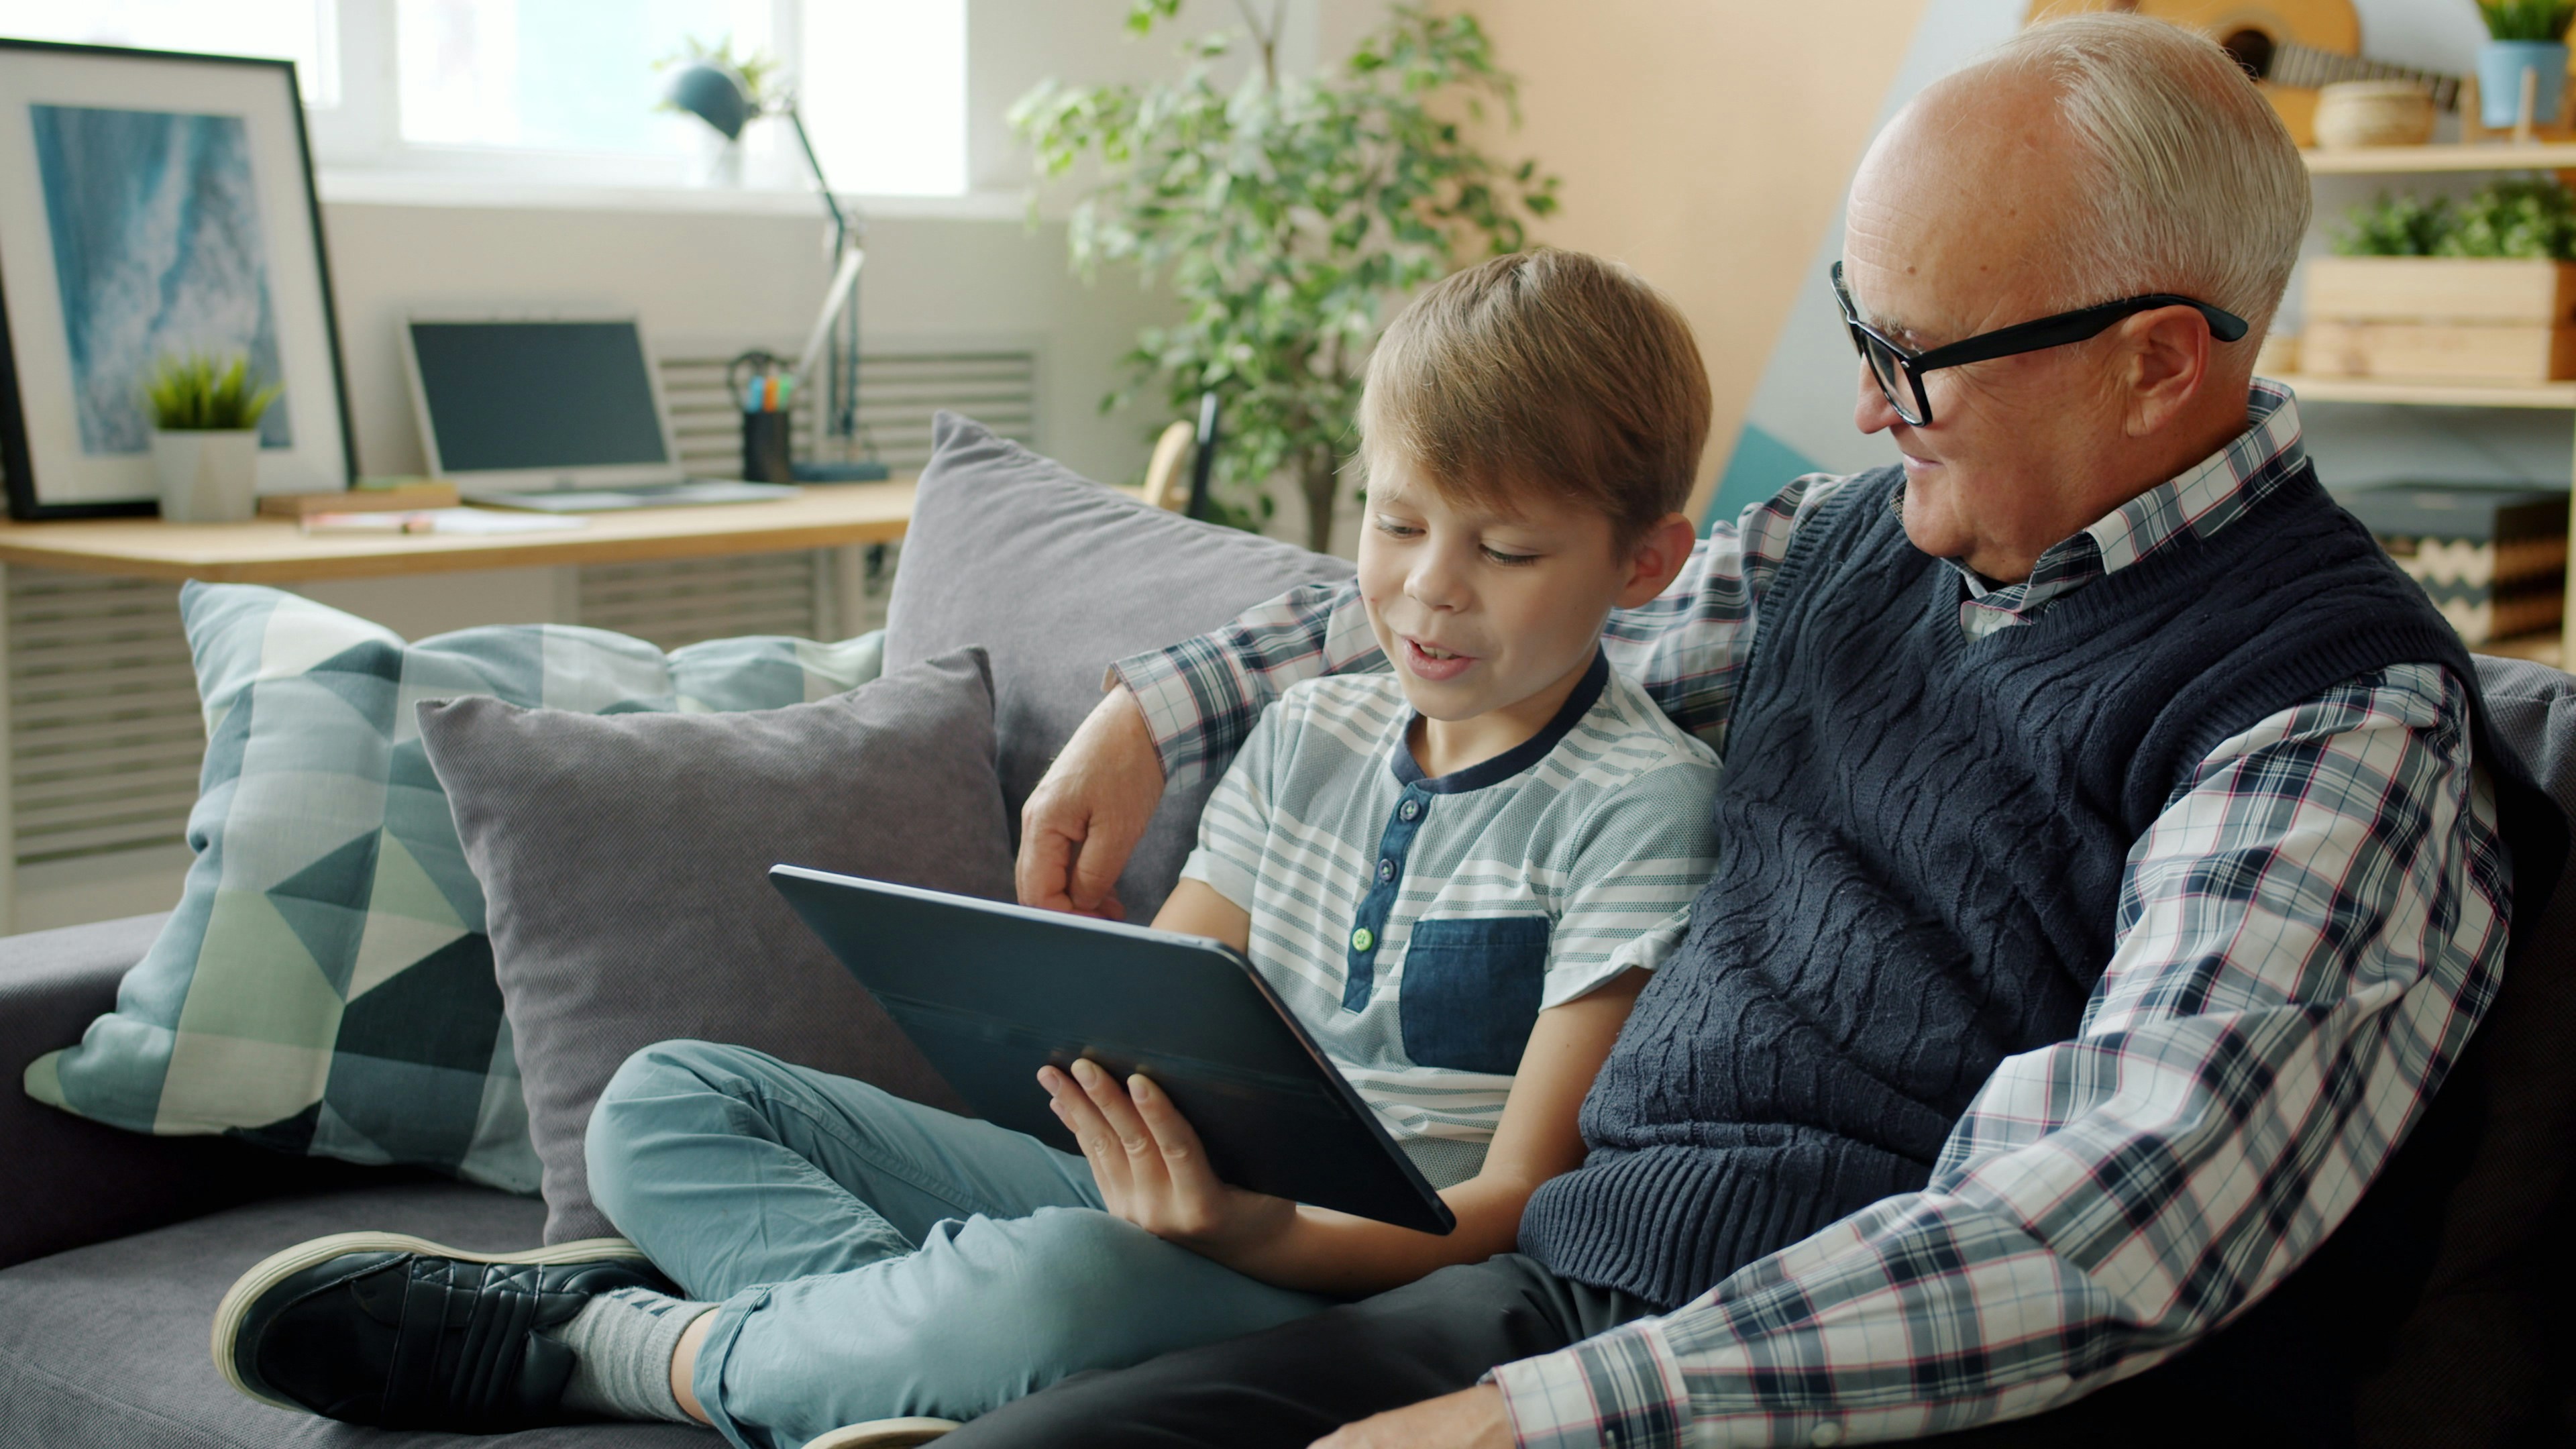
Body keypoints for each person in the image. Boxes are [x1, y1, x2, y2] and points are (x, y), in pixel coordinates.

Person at [932, 15, 2561, 1449]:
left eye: (1911, 359)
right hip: (1576, 1293)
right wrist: (1166, 702)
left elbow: (2103, 1233)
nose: (1864, 406)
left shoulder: (2330, 722)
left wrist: (1546, 1422)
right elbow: (1518, 601)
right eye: (1864, 327)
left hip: (1881, 1400)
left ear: (2153, 365)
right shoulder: (1836, 552)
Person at [211, 249, 1727, 1449]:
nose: (1428, 594)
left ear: (1644, 562)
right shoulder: (1310, 729)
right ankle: (880, 1366)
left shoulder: (1638, 803)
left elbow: (1522, 1203)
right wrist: (1077, 1029)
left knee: (1064, 1279)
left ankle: (627, 1349)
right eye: (1396, 527)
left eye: (1504, 551)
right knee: (663, 1097)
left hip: (1335, 1266)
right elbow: (1176, 1009)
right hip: (1143, 1188)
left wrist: (1256, 1225)